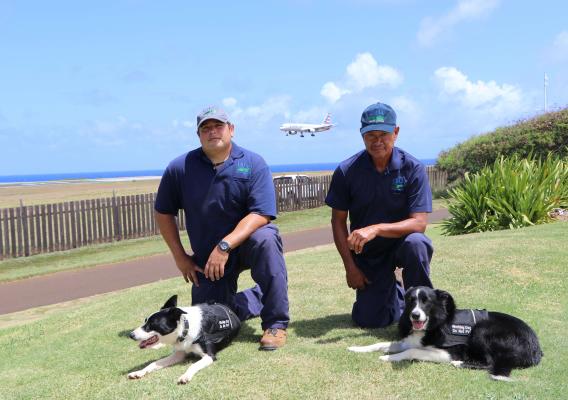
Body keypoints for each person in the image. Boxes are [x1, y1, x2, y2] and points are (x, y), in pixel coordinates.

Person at [154, 106, 289, 350]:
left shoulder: (253, 163)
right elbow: (163, 212)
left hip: (245, 245)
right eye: (205, 128)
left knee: (267, 238)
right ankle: (254, 298)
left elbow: (262, 213)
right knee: (211, 324)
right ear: (198, 135)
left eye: (218, 126)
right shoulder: (180, 168)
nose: (212, 131)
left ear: (231, 130)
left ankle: (276, 324)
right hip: (208, 260)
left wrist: (225, 245)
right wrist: (180, 257)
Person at [325, 102, 433, 328]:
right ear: (362, 135)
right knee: (370, 320)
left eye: (383, 134)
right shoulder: (347, 171)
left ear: (396, 132)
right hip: (368, 253)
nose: (377, 141)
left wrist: (376, 229)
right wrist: (350, 267)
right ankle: (394, 292)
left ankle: (423, 308)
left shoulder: (413, 168)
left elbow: (419, 223)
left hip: (402, 243)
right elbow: (337, 221)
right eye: (370, 135)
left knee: (417, 243)